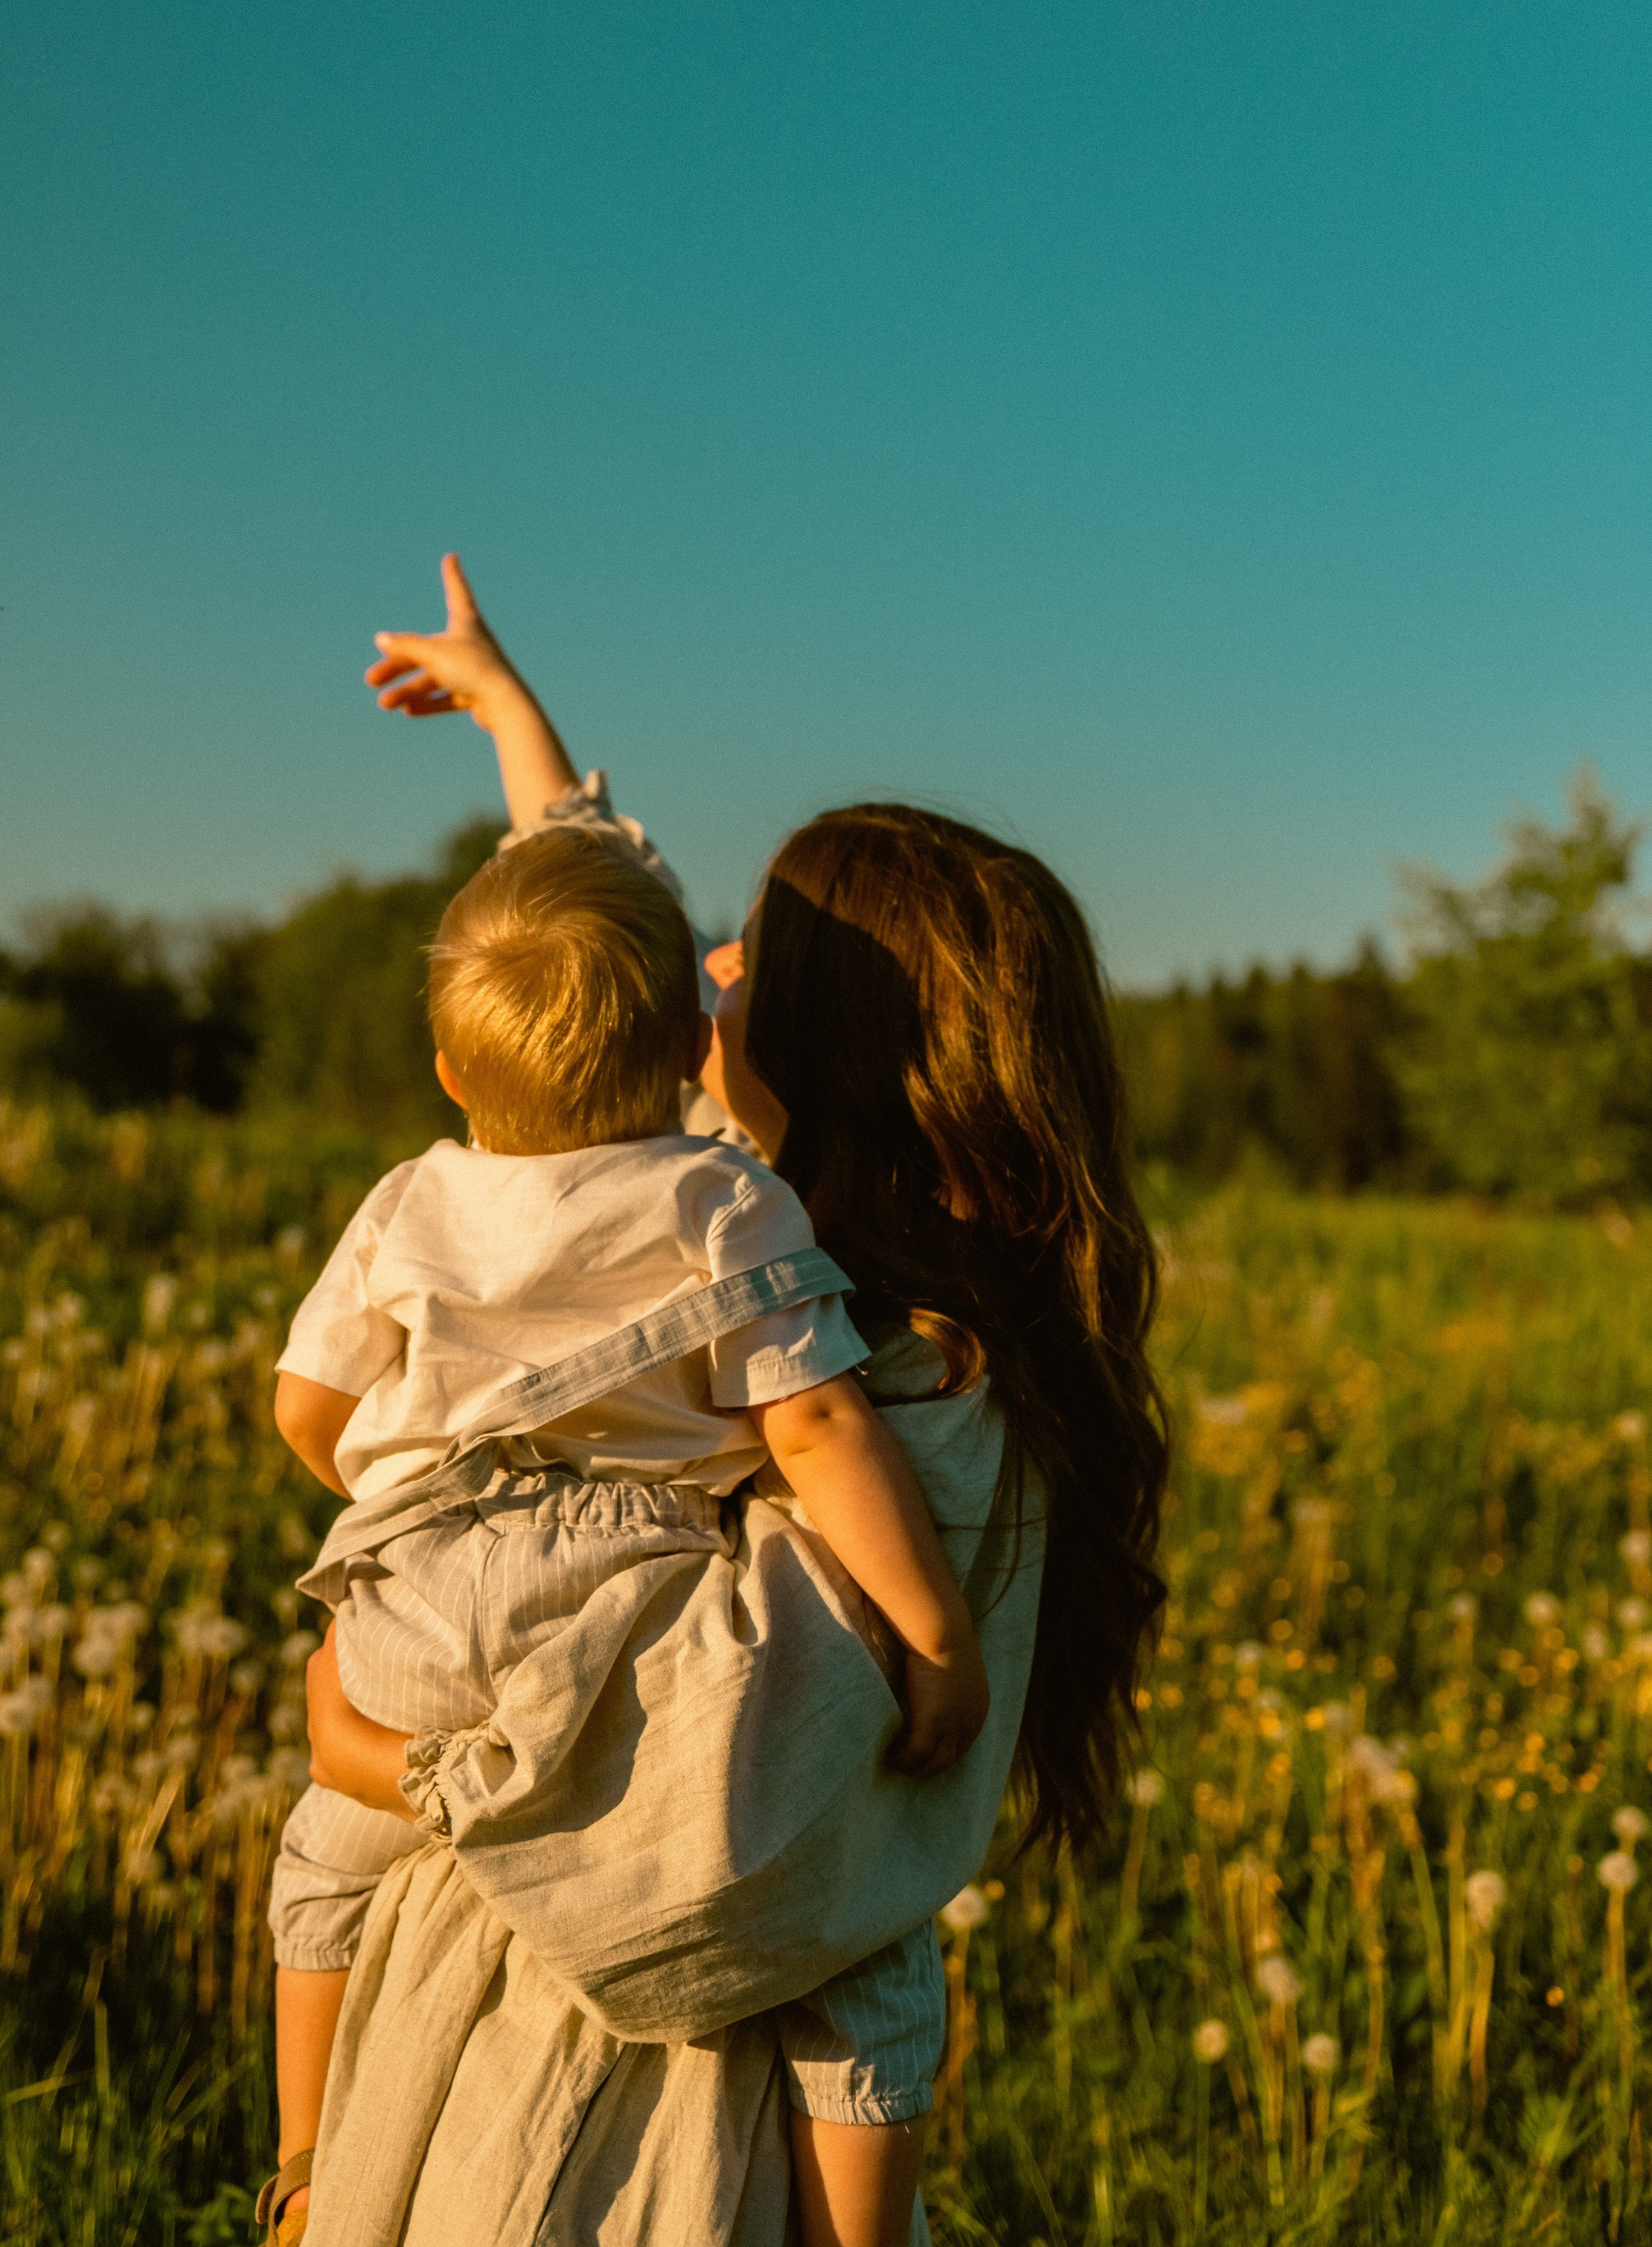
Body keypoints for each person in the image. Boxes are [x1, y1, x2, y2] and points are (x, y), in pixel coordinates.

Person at [287, 556, 1169, 2247]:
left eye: (745, 960)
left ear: (841, 1049)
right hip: (474, 2035)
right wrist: (504, 711)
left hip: (641, 2129)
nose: (700, 973)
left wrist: (376, 1747)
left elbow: (698, 1814)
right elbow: (584, 928)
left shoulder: (915, 1398)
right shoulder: (719, 1243)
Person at [260, 815, 991, 2247]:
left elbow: (303, 1404)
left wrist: (401, 1516)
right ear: (682, 1061)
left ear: (452, 1073)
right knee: (856, 1937)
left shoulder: (412, 1197)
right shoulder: (724, 1196)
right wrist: (938, 1637)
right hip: (631, 1598)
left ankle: (298, 2158)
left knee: (328, 1849)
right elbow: (821, 1430)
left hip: (419, 1589)